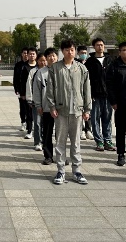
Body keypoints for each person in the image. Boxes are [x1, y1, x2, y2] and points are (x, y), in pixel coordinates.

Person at [46, 39, 91, 185]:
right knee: (60, 142)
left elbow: (86, 90)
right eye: (66, 50)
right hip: (61, 111)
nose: (69, 52)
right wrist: (52, 107)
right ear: (62, 51)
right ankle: (61, 171)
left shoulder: (81, 68)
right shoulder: (55, 68)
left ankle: (77, 171)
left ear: (75, 51)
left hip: (77, 111)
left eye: (72, 49)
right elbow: (50, 89)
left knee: (76, 142)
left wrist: (87, 109)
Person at [84, 38, 114, 152]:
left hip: (108, 95)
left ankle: (108, 140)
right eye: (97, 45)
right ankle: (99, 141)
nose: (100, 47)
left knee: (107, 118)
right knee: (95, 119)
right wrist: (89, 94)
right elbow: (87, 80)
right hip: (95, 95)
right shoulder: (90, 62)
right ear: (94, 47)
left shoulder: (110, 60)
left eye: (101, 44)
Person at [33, 48, 58, 165]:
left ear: (57, 57)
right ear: (46, 58)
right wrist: (38, 105)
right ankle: (48, 156)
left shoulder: (62, 70)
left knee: (61, 134)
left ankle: (61, 156)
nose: (52, 58)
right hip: (47, 108)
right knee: (47, 133)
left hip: (61, 108)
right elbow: (36, 90)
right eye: (49, 56)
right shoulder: (41, 73)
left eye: (54, 56)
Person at [25, 52, 46, 151]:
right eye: (41, 60)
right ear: (37, 61)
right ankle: (38, 142)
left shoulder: (50, 71)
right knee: (37, 122)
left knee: (45, 123)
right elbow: (29, 86)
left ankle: (45, 141)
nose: (43, 62)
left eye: (44, 60)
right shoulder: (33, 71)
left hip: (47, 101)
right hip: (36, 101)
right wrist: (30, 99)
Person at [17, 48, 37, 139]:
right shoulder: (24, 67)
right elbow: (21, 81)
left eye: (33, 54)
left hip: (38, 93)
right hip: (27, 93)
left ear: (36, 55)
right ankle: (29, 130)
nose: (32, 56)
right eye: (30, 54)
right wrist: (22, 93)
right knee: (28, 113)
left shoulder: (39, 66)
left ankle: (38, 130)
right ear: (27, 55)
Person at [76, 45, 94, 141]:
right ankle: (82, 130)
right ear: (78, 53)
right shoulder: (75, 63)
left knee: (88, 110)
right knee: (79, 112)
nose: (83, 54)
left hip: (88, 90)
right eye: (82, 53)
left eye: (85, 53)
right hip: (78, 90)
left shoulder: (90, 63)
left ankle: (88, 130)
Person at [13, 48, 29, 131]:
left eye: (27, 53)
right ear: (22, 54)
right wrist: (16, 88)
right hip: (21, 90)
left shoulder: (31, 64)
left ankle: (30, 123)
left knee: (29, 107)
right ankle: (23, 122)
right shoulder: (18, 65)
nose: (26, 55)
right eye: (24, 53)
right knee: (22, 107)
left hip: (30, 90)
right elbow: (15, 78)